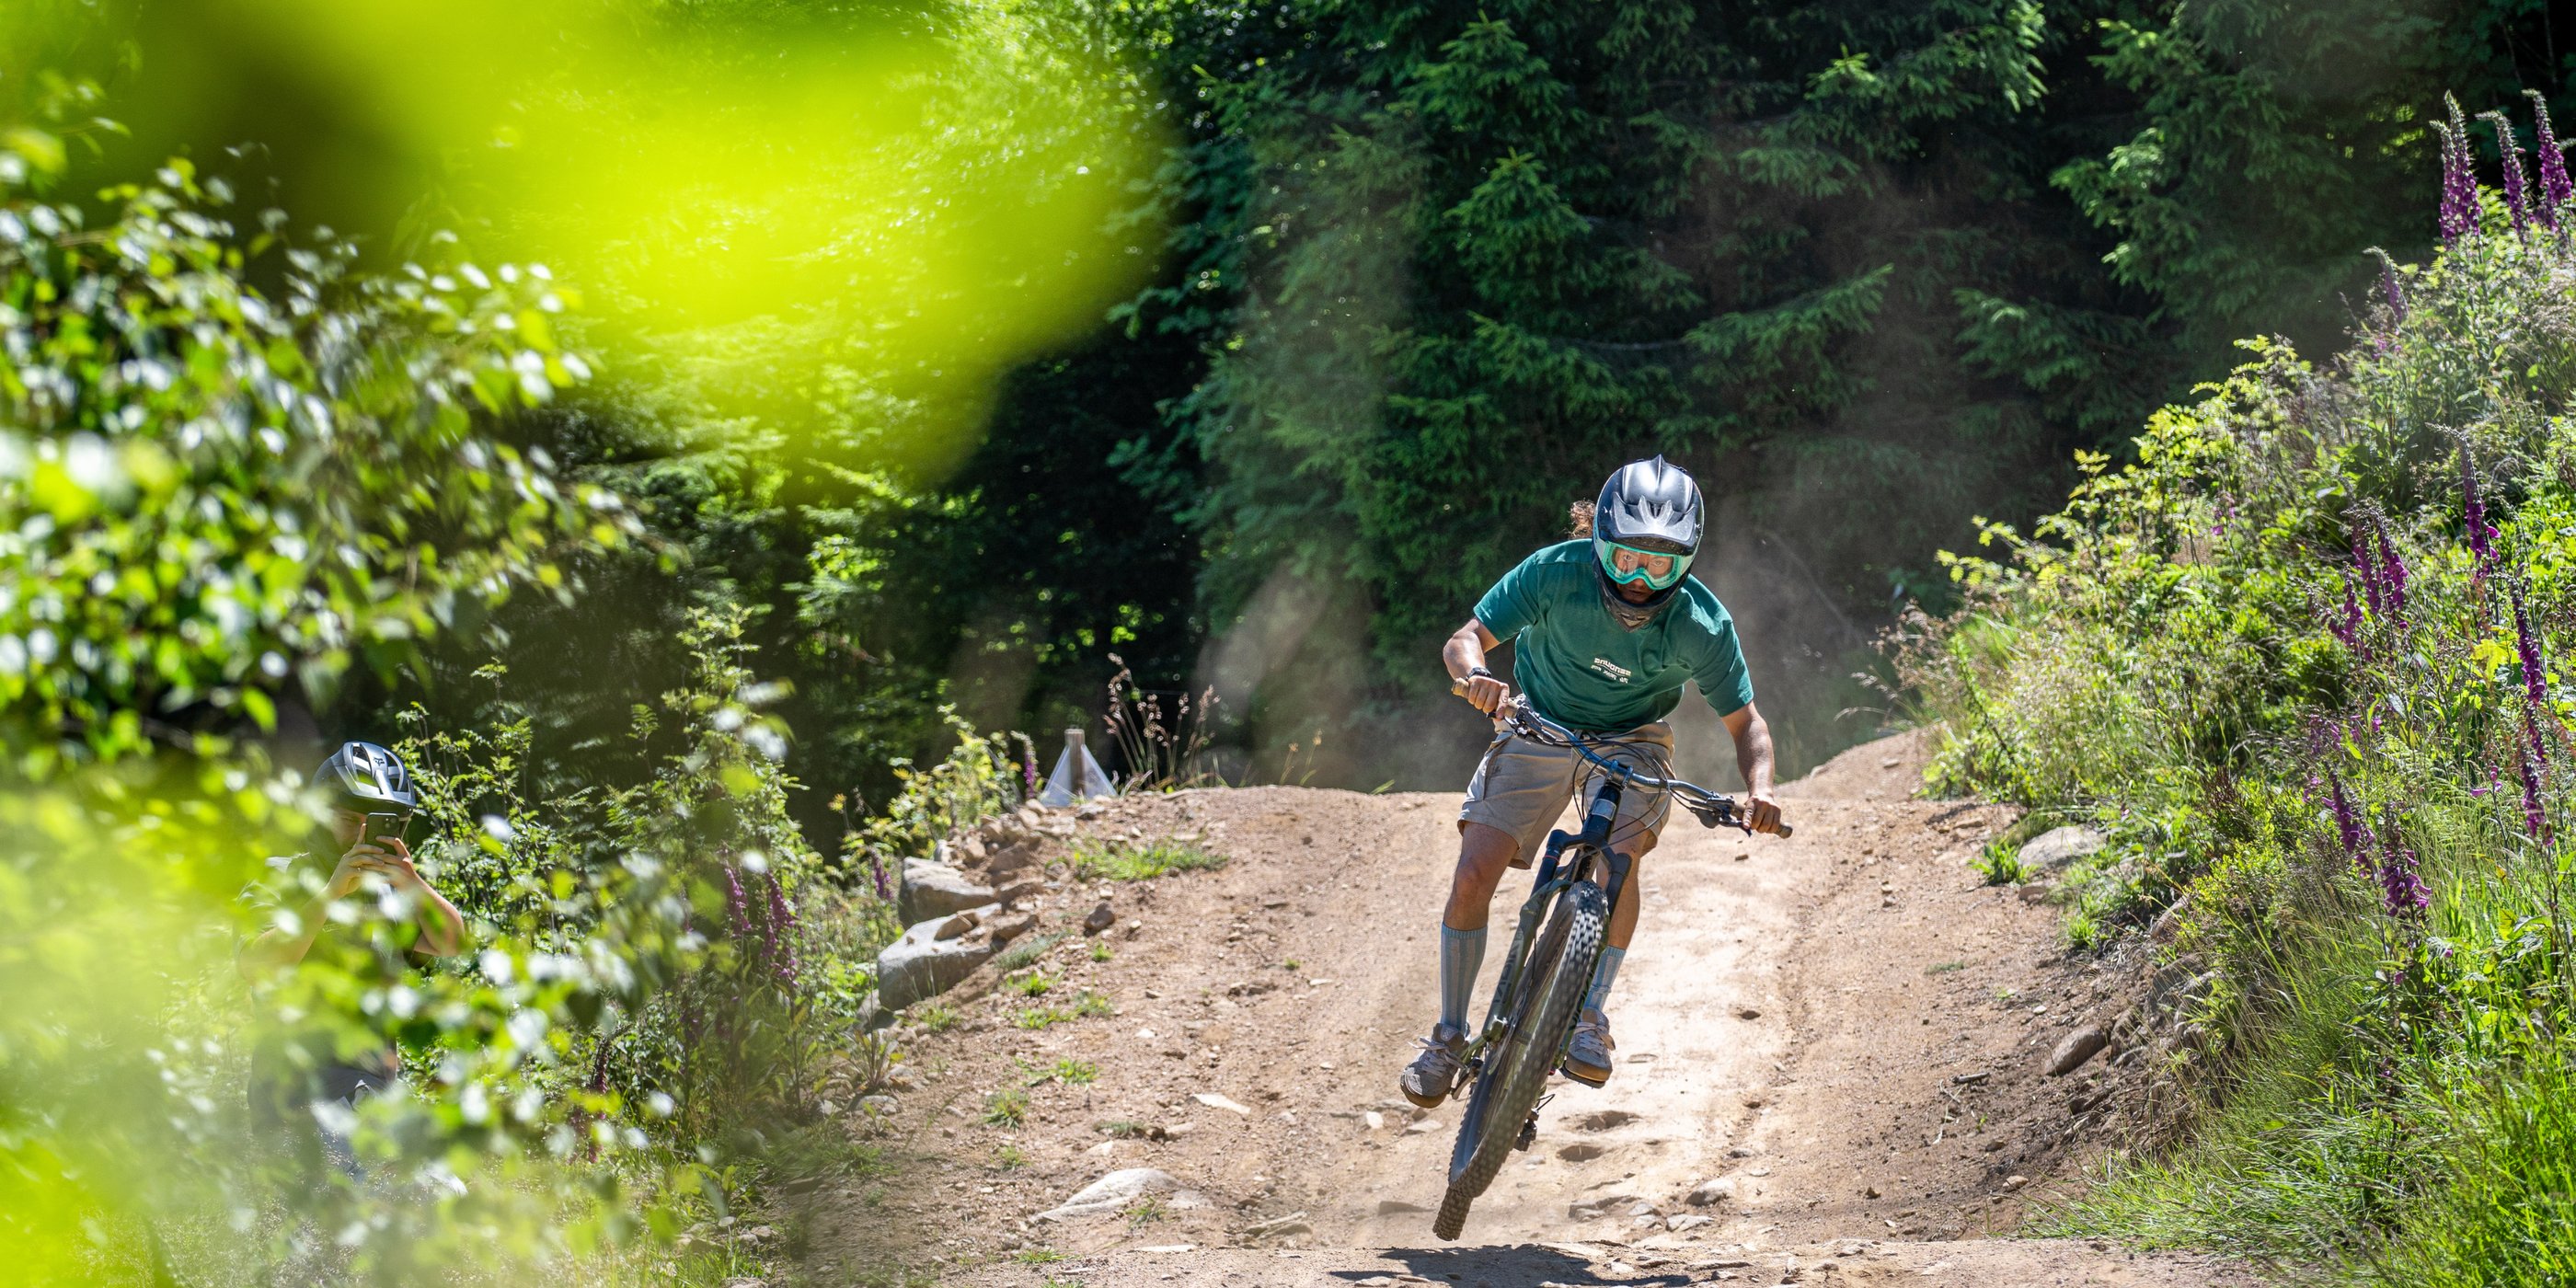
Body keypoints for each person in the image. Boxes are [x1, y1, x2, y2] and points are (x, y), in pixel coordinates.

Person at [1399, 455, 1787, 1108]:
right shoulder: (1555, 572)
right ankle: (1447, 1036)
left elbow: (1747, 724)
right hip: (1538, 721)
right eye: (1626, 558)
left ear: (1687, 561)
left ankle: (1588, 1017)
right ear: (1598, 541)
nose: (1639, 580)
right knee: (1474, 873)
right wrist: (1475, 677)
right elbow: (1467, 638)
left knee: (1619, 863)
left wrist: (1763, 788)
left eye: (1660, 564)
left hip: (1634, 740)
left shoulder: (1701, 623)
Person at [238, 741, 465, 1179]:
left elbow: (453, 942)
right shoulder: (279, 877)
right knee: (341, 1209)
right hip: (296, 1102)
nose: (362, 835)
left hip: (374, 1103)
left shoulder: (395, 897)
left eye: (377, 823)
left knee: (441, 1198)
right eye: (349, 820)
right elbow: (257, 966)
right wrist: (331, 893)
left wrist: (411, 882)